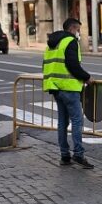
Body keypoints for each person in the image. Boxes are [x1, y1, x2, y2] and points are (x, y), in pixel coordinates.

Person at [42, 18, 93, 168]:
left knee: (62, 122)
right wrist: (87, 77)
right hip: (69, 88)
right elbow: (73, 65)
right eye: (77, 29)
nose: (78, 33)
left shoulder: (52, 44)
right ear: (71, 28)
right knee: (77, 121)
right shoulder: (70, 42)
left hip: (56, 87)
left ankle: (65, 155)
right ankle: (78, 154)